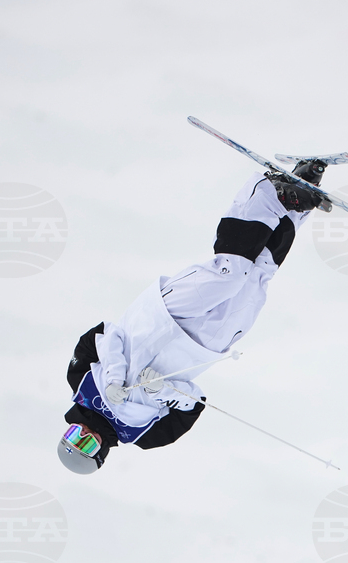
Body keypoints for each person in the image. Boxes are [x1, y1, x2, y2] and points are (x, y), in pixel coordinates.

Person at [57, 162, 331, 474]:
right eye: (87, 445)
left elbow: (104, 335)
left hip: (159, 319)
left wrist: (113, 378)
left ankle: (268, 193)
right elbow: (193, 404)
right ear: (101, 453)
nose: (86, 435)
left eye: (75, 436)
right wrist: (162, 391)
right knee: (256, 279)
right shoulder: (147, 436)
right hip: (202, 345)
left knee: (228, 274)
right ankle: (295, 205)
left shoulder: (79, 382)